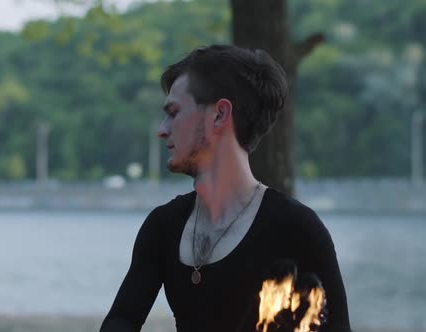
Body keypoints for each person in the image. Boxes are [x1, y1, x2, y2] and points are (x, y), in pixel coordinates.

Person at [100, 45, 351, 332]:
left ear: (219, 114)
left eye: (173, 113)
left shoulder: (297, 229)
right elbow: (122, 320)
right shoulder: (163, 226)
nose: (162, 129)